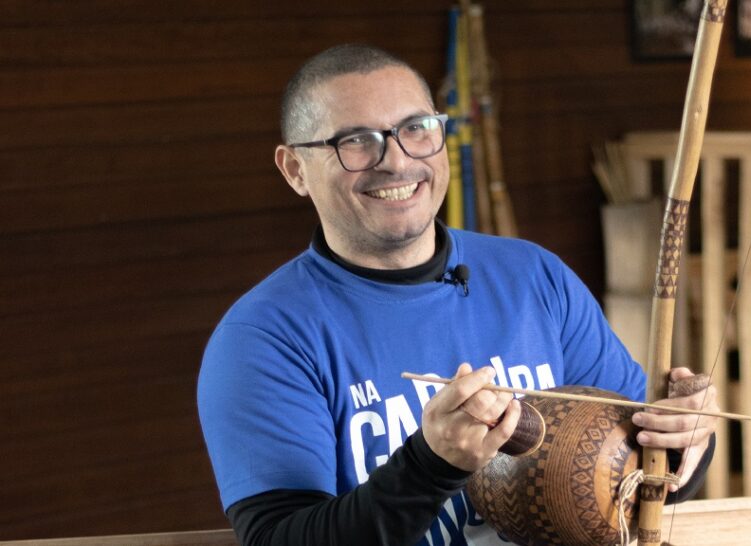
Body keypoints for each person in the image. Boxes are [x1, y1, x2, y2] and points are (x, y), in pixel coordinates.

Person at [197, 43, 720, 546]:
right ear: (295, 170)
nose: (396, 161)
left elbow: (638, 480)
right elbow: (279, 537)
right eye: (356, 140)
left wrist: (684, 443)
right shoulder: (262, 339)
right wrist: (430, 465)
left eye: (416, 128)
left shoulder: (535, 276)